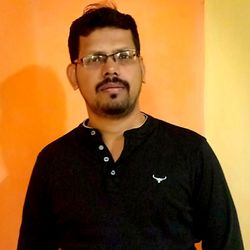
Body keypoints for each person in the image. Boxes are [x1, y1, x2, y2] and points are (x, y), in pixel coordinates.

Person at [17, 2, 244, 250]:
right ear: (73, 74)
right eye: (95, 59)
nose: (111, 69)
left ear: (142, 68)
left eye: (124, 56)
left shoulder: (191, 151)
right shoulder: (53, 161)